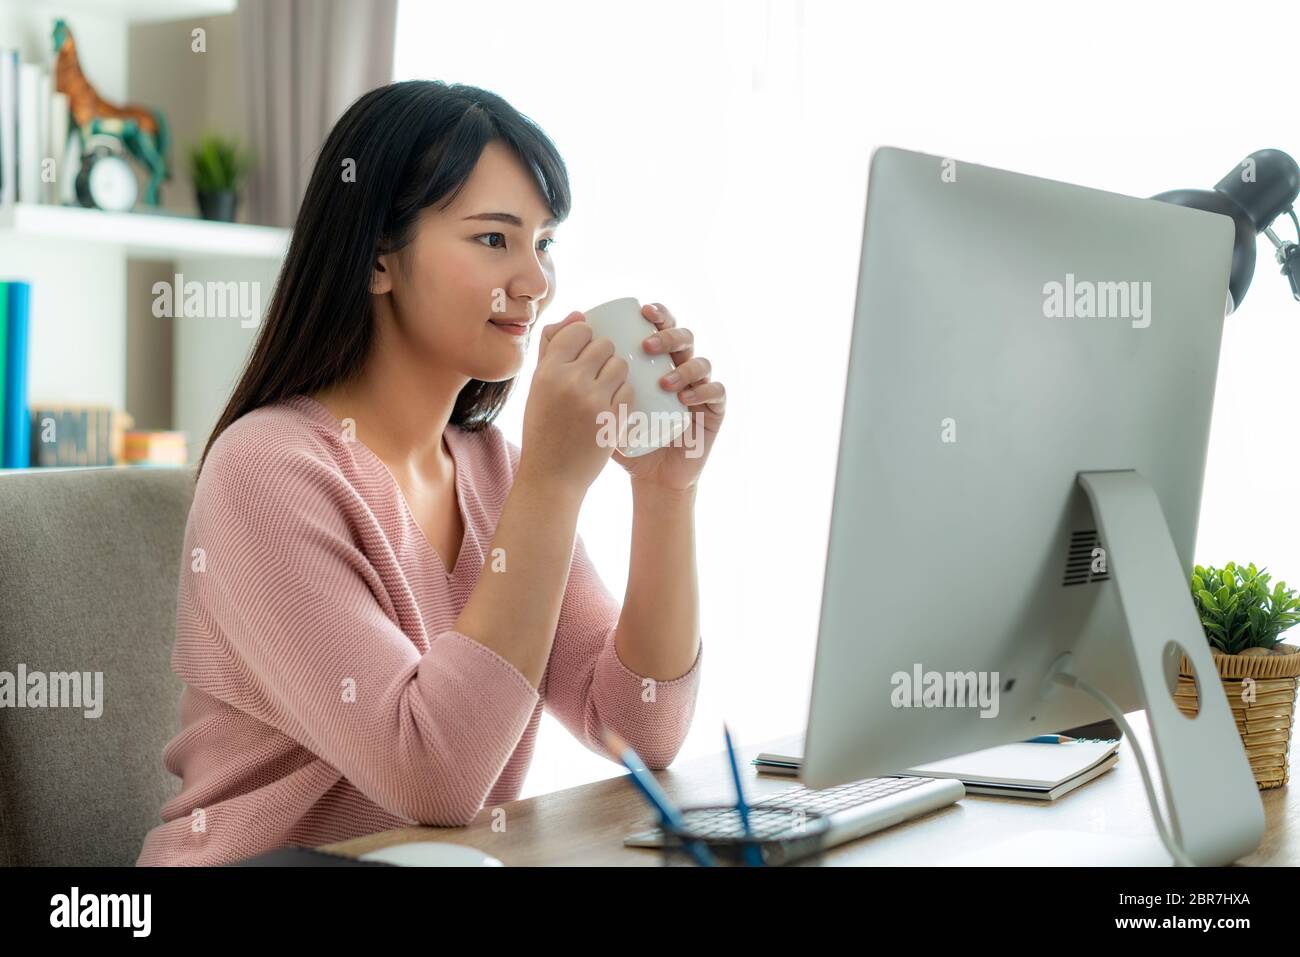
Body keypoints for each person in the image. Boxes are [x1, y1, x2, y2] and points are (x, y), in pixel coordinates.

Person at [136, 80, 726, 866]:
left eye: (543, 242)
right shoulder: (265, 472)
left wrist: (663, 492)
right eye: (494, 240)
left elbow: (641, 726)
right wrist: (552, 484)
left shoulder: (495, 472)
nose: (536, 281)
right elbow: (433, 770)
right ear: (379, 257)